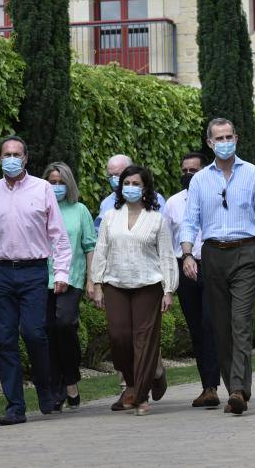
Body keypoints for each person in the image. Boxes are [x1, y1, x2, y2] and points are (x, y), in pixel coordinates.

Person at [0, 136, 72, 426]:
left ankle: (45, 388)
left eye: (16, 154)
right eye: (6, 154)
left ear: (25, 158)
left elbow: (58, 236)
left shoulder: (42, 189)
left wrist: (61, 273)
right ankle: (15, 406)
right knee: (5, 340)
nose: (11, 159)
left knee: (34, 333)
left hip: (33, 271)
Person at [181, 118, 255, 415]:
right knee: (220, 327)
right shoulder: (200, 180)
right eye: (218, 138)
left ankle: (237, 389)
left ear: (236, 138)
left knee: (240, 322)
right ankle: (234, 384)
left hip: (246, 253)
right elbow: (189, 221)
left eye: (229, 136)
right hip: (212, 255)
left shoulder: (252, 174)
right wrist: (186, 254)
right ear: (210, 143)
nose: (225, 142)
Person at [91, 165, 178, 416]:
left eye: (136, 183)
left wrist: (168, 289)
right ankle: (133, 382)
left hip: (148, 286)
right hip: (115, 283)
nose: (130, 187)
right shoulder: (110, 217)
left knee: (144, 341)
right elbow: (101, 250)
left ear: (145, 188)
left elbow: (166, 255)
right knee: (119, 337)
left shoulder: (156, 219)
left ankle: (140, 395)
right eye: (126, 183)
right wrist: (97, 285)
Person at [162, 151, 221, 408]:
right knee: (197, 328)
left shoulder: (217, 196)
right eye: (184, 171)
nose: (188, 175)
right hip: (183, 267)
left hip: (213, 264)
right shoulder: (173, 203)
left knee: (212, 323)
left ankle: (221, 382)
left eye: (193, 171)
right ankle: (207, 386)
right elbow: (165, 242)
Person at [42, 162, 97, 411]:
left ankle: (71, 379)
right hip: (43, 279)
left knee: (65, 325)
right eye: (52, 182)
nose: (56, 187)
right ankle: (58, 388)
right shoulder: (39, 209)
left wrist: (91, 279)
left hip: (71, 278)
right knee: (48, 331)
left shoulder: (80, 210)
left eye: (60, 182)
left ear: (69, 183)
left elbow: (89, 246)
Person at [94, 154, 167, 233]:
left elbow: (163, 231)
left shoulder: (156, 199)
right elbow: (99, 233)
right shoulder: (106, 203)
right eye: (110, 176)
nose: (113, 179)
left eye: (118, 175)